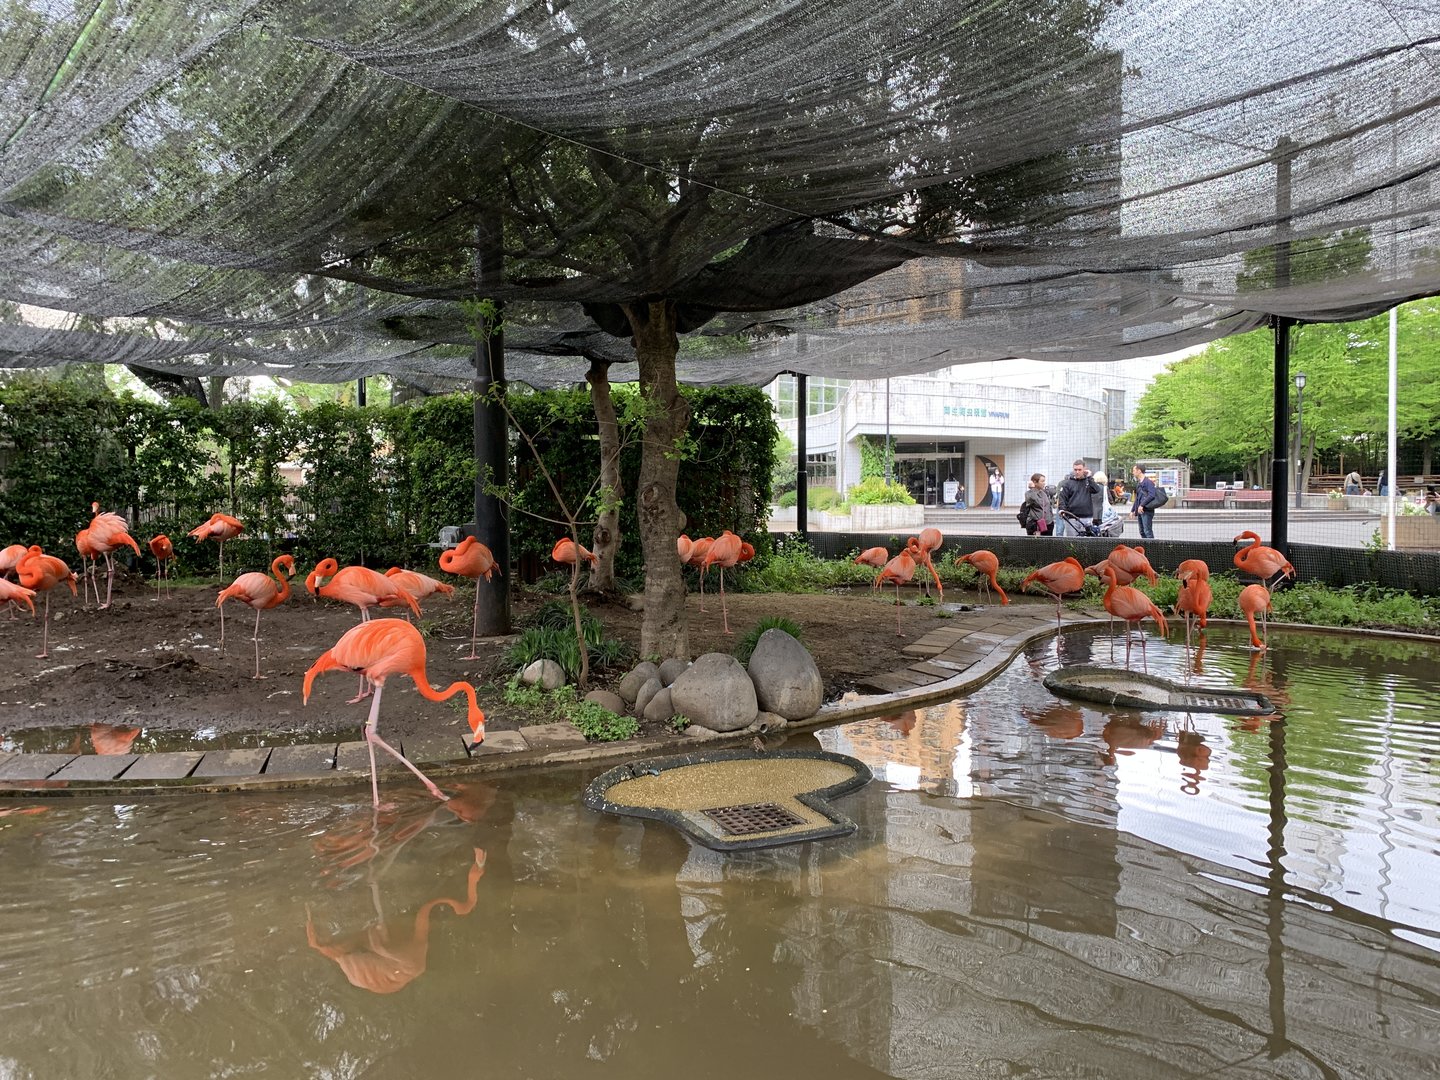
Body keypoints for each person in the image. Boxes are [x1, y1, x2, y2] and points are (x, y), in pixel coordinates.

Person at [1055, 459, 1102, 536]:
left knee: (1086, 542)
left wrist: (1089, 477)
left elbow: (1097, 490)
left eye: (1079, 470)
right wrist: (1062, 509)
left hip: (1087, 517)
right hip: (1071, 518)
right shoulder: (1068, 483)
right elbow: (1062, 498)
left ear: (1084, 469)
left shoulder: (1088, 481)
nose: (1077, 472)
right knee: (1072, 542)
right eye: (1075, 469)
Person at [1131, 464, 1160, 539]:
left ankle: (1151, 549)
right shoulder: (1139, 483)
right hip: (1140, 510)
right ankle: (1145, 548)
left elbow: (1152, 495)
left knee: (1147, 531)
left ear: (1139, 471)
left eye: (1134, 470)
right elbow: (1137, 498)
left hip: (1147, 510)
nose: (1132, 472)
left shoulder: (1148, 482)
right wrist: (1133, 510)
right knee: (1142, 531)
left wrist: (1141, 505)